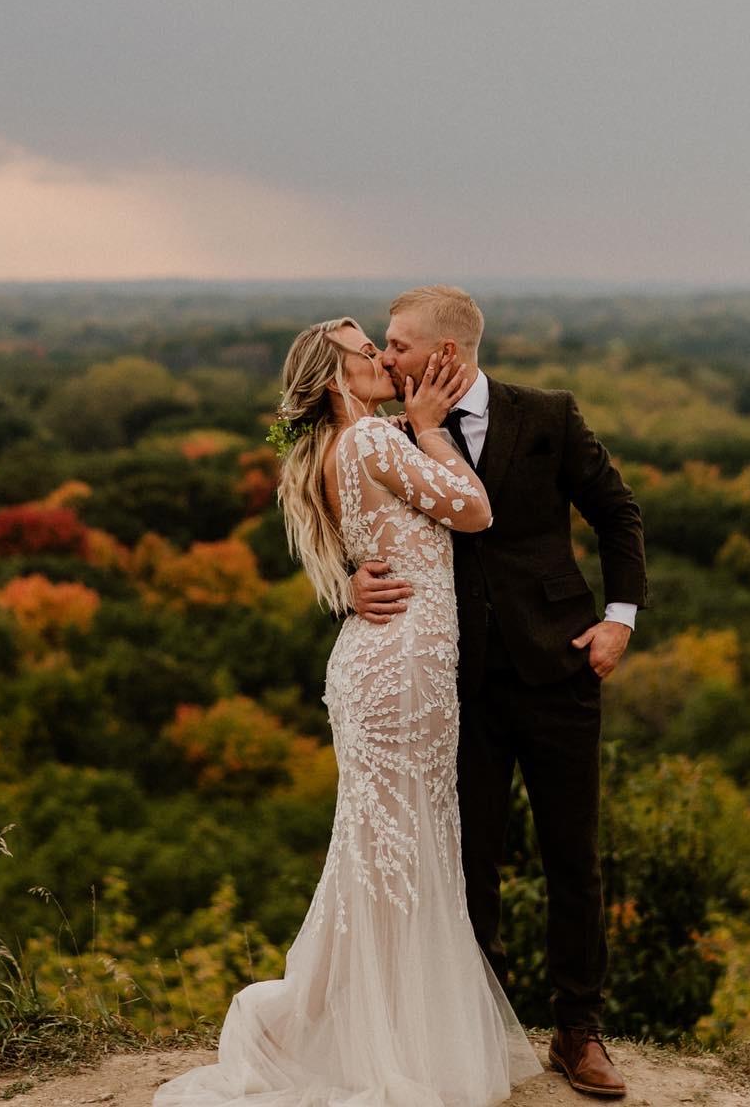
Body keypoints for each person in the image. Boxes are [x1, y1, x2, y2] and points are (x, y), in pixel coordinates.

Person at [154, 317, 541, 1107]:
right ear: (338, 377)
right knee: (396, 853)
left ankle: (375, 1026)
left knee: (385, 849)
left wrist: (412, 428)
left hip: (388, 663)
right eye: (369, 352)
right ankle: (381, 1042)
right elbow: (473, 510)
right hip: (399, 669)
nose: (382, 359)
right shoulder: (369, 444)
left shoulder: (350, 445)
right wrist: (431, 431)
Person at [355, 286, 647, 1101]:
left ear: (447, 354)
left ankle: (579, 1034)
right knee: (466, 862)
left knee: (571, 858)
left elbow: (617, 514)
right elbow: (348, 521)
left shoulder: (548, 415)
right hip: (457, 683)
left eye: (399, 346)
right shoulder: (385, 435)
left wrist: (620, 619)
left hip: (561, 668)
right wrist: (351, 579)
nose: (386, 359)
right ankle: (474, 1035)